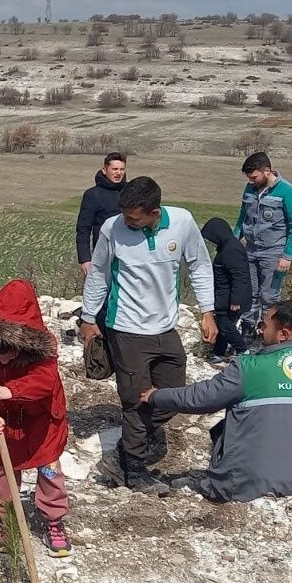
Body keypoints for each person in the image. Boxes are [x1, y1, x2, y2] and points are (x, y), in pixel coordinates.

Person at [143, 301, 292, 504]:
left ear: (283, 334)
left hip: (249, 487)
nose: (259, 330)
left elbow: (202, 398)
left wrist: (156, 396)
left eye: (264, 324)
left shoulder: (249, 368)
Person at [78, 177, 217, 491]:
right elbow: (99, 272)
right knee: (135, 402)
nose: (127, 221)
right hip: (125, 328)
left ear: (155, 212)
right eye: (125, 214)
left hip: (165, 327)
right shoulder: (112, 229)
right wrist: (88, 319)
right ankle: (134, 472)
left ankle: (126, 449)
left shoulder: (182, 222)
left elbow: (199, 264)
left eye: (134, 217)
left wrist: (207, 311)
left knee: (172, 397)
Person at [0, 279, 73, 557]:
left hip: (43, 424)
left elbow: (45, 382)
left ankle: (53, 519)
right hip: (5, 426)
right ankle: (5, 520)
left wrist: (8, 391)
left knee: (49, 473)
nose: (4, 362)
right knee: (3, 476)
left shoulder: (43, 351)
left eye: (9, 354)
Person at [237, 152, 292, 336]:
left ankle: (267, 333)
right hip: (250, 249)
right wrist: (234, 239)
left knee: (269, 296)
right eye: (249, 178)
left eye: (254, 177)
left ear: (267, 171)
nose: (251, 181)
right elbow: (243, 216)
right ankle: (247, 330)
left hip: (274, 252)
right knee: (248, 292)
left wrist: (287, 256)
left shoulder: (289, 192)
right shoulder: (250, 189)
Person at [200, 218, 251, 361]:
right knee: (223, 326)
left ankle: (243, 351)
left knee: (226, 327)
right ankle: (219, 353)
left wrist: (236, 299)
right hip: (225, 296)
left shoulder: (231, 250)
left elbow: (239, 276)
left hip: (231, 298)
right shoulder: (227, 246)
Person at [77, 153, 127, 275]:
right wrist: (85, 259)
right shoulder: (93, 195)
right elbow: (83, 228)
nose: (118, 173)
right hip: (103, 254)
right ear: (104, 170)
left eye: (122, 169)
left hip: (129, 253)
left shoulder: (130, 192)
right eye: (114, 169)